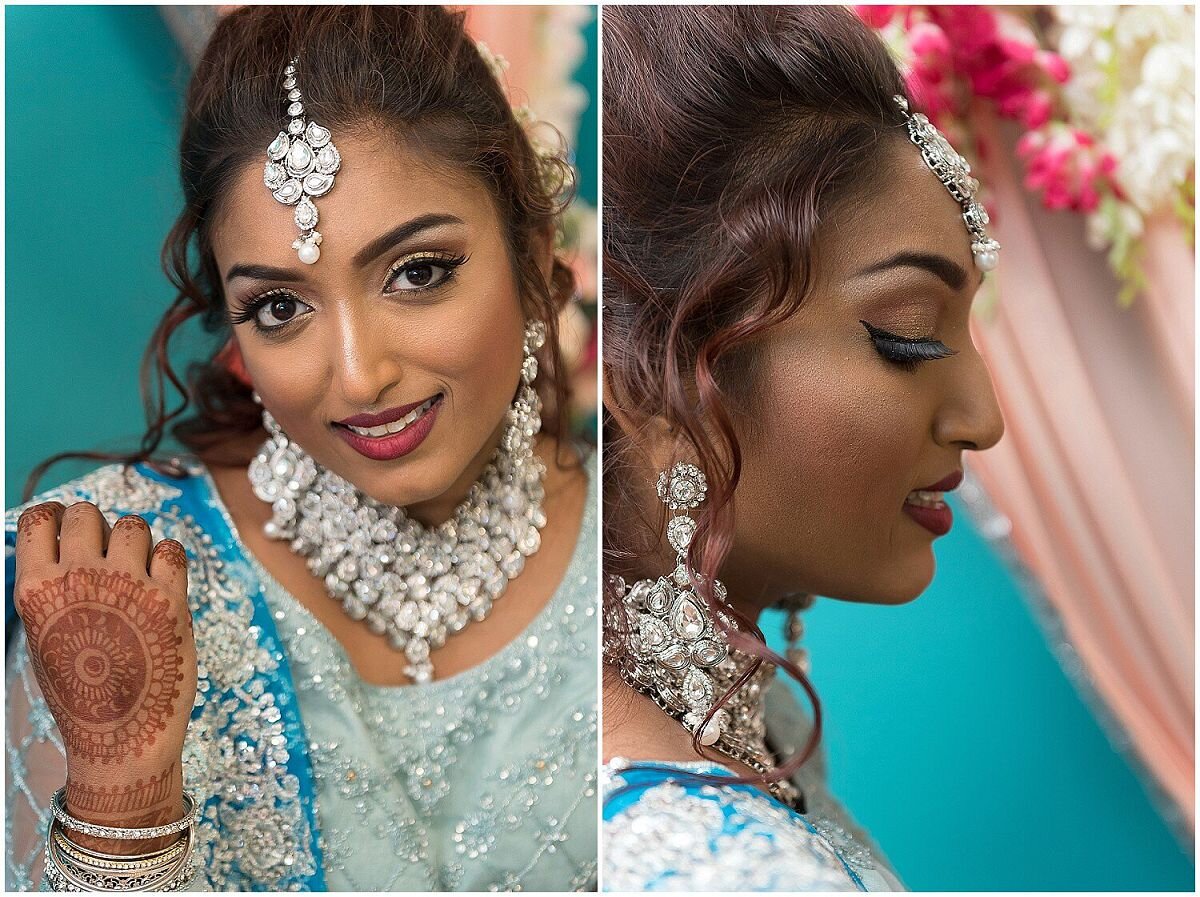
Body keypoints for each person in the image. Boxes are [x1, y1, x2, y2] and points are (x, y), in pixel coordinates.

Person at [6, 6, 597, 891]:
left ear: (533, 252)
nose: (359, 377)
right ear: (238, 336)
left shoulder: (652, 547)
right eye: (281, 308)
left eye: (418, 272)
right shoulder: (112, 577)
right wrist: (120, 800)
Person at [601, 6, 1005, 891]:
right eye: (908, 337)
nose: (983, 417)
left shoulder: (739, 711)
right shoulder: (710, 868)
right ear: (647, 371)